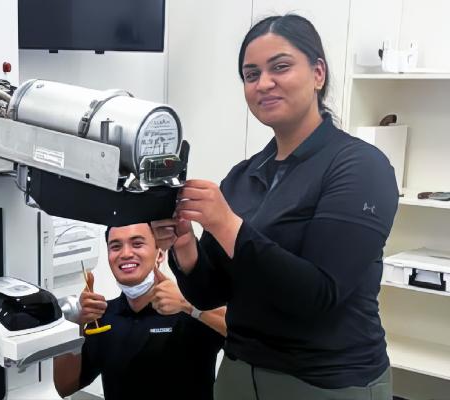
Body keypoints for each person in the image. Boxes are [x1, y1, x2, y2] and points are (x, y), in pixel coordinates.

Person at [152, 14, 398, 400]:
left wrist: (226, 224)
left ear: (318, 73)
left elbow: (317, 295)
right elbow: (210, 293)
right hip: (238, 373)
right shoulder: (244, 176)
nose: (264, 83)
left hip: (327, 381)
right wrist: (185, 245)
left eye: (280, 67)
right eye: (251, 75)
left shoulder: (359, 167)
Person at [53, 223, 225, 400]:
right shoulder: (102, 318)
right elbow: (65, 386)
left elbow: (245, 332)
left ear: (160, 253)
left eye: (137, 244)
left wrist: (189, 305)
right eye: (115, 246)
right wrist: (74, 326)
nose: (126, 253)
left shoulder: (189, 312)